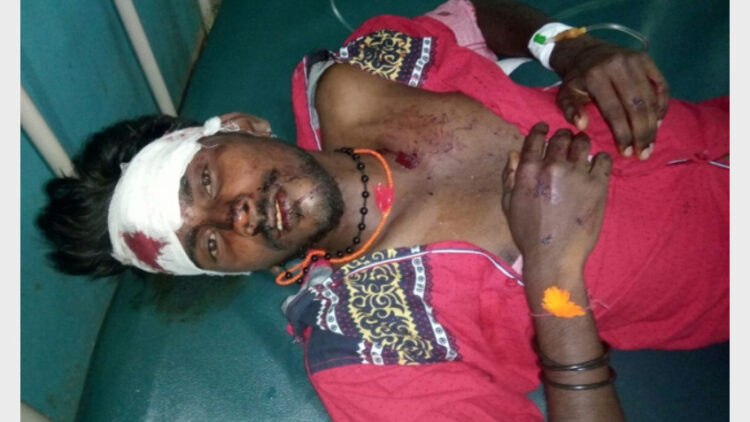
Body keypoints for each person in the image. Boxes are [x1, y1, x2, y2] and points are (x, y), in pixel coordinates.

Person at [37, 0, 728, 420]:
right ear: (231, 272)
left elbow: (478, 17)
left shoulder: (361, 70)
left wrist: (572, 48)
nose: (234, 217)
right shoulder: (372, 352)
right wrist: (555, 282)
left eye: (207, 182)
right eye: (210, 246)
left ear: (244, 127)